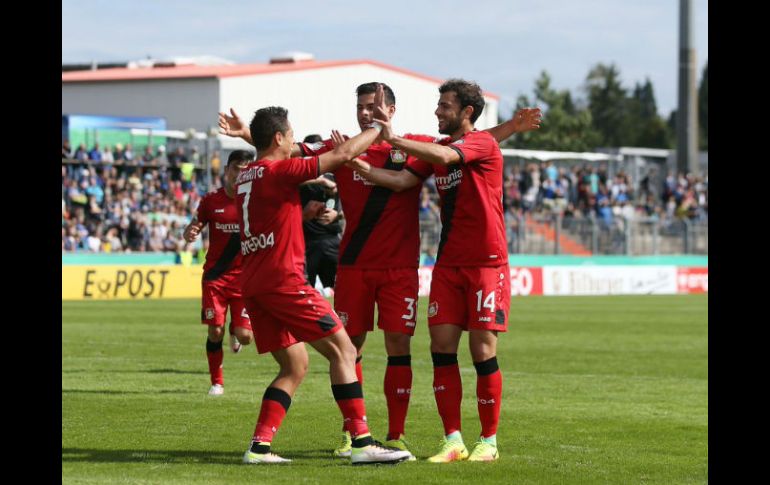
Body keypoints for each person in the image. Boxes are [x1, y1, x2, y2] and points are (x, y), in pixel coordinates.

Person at [220, 82, 540, 459]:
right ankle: (355, 437)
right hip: (352, 264)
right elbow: (292, 152)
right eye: (360, 106)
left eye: (372, 106)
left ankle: (396, 434)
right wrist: (251, 136)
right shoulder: (340, 146)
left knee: (394, 348)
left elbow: (462, 148)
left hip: (400, 266)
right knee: (349, 348)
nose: (365, 112)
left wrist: (511, 129)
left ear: (391, 108)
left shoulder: (416, 145)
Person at [348, 80, 523, 462]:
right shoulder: (440, 149)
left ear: (466, 113)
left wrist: (392, 138)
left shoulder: (480, 145)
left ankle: (489, 441)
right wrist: (358, 166)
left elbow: (447, 160)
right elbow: (402, 180)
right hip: (448, 266)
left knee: (481, 350)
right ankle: (453, 440)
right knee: (441, 349)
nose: (437, 112)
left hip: (486, 264)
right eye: (438, 105)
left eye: (445, 106)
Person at [233, 100, 411, 465]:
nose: (294, 141)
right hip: (283, 281)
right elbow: (343, 153)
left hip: (255, 283)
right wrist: (379, 127)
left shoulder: (245, 175)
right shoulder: (278, 171)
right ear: (280, 137)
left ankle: (259, 447)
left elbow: (275, 196)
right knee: (344, 352)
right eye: (292, 136)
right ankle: (362, 442)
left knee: (294, 366)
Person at [183, 150, 255, 396]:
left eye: (246, 168)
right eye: (236, 168)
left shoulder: (255, 200)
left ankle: (237, 330)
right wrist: (189, 232)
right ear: (227, 170)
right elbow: (194, 225)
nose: (240, 173)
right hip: (215, 277)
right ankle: (217, 382)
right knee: (214, 331)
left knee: (246, 337)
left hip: (244, 279)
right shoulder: (211, 200)